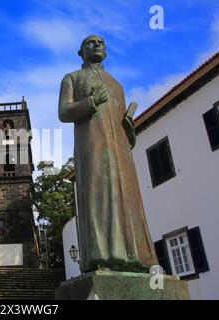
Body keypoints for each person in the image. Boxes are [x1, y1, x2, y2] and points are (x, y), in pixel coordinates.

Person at [58, 35, 157, 273]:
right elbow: (64, 112)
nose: (97, 45)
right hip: (92, 147)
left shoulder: (116, 85)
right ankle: (100, 255)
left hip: (120, 151)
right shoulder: (72, 78)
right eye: (91, 42)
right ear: (80, 52)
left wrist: (129, 130)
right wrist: (92, 101)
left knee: (127, 199)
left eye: (101, 42)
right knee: (97, 195)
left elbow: (123, 124)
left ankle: (135, 256)